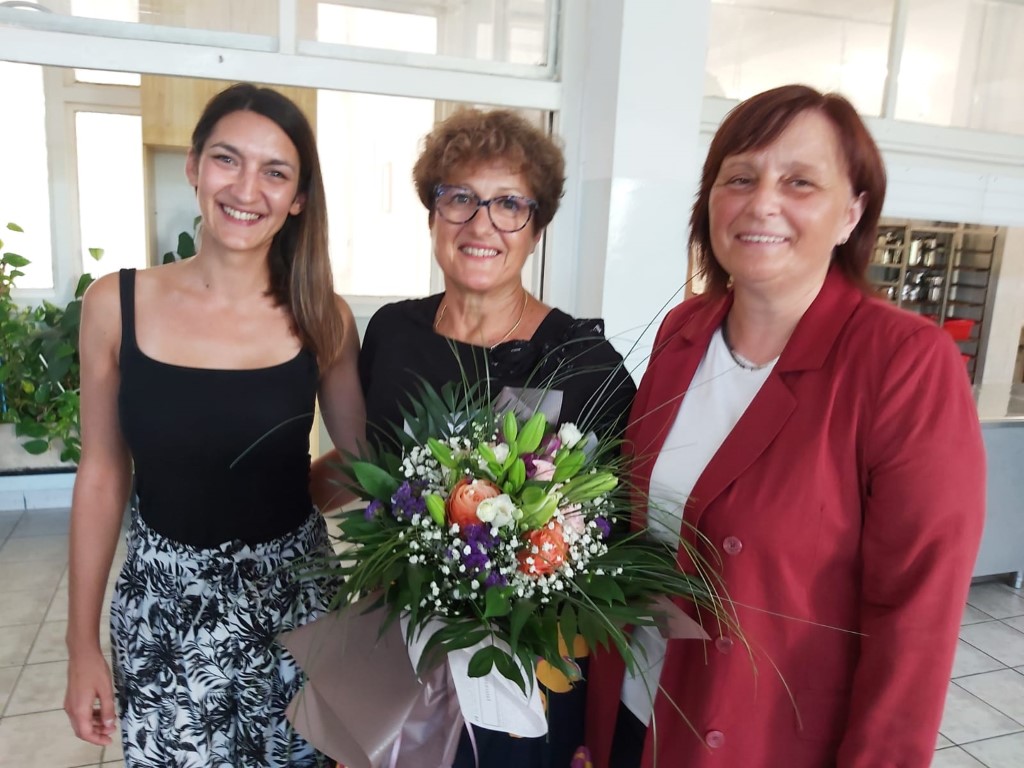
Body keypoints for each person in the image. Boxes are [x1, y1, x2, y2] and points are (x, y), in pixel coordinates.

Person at [585, 84, 986, 767]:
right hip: (635, 712)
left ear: (851, 213)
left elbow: (915, 620)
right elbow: (646, 528)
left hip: (757, 740)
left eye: (799, 182)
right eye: (740, 178)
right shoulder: (685, 330)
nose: (762, 202)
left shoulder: (902, 362)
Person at [316, 108, 636, 768]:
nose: (481, 224)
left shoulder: (583, 360)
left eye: (509, 204)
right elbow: (365, 462)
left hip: (527, 667)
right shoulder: (393, 334)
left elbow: (618, 532)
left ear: (537, 228)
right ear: (433, 214)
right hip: (400, 645)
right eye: (459, 197)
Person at [63, 83, 365, 767]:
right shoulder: (116, 304)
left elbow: (359, 462)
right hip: (163, 614)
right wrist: (81, 645)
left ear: (298, 198)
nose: (246, 189)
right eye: (228, 159)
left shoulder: (323, 316)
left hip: (296, 610)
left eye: (275, 172)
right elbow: (103, 473)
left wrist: (275, 512)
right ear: (194, 166)